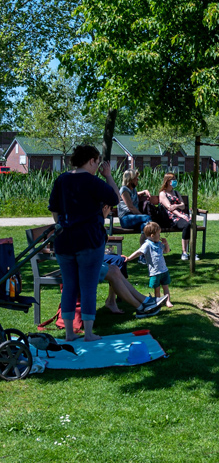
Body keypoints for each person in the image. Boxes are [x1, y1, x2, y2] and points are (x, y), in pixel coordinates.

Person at [48, 144, 122, 342]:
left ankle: (69, 333)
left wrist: (63, 225)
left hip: (64, 241)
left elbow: (54, 210)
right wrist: (107, 175)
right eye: (97, 162)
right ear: (91, 160)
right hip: (89, 240)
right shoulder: (92, 181)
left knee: (70, 286)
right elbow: (115, 198)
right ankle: (88, 333)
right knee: (88, 286)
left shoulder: (61, 179)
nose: (98, 166)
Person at [125, 222, 171, 308]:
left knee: (166, 287)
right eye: (159, 234)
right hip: (155, 272)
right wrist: (129, 258)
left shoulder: (159, 244)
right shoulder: (147, 245)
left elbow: (166, 251)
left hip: (164, 270)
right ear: (153, 235)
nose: (160, 236)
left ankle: (168, 301)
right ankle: (158, 302)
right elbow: (139, 252)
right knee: (157, 289)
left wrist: (166, 244)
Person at [159, 173, 195, 260]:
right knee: (187, 225)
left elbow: (183, 205)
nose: (175, 181)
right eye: (173, 180)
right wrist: (181, 215)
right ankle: (184, 252)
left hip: (181, 215)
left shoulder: (176, 192)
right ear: (167, 181)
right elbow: (169, 208)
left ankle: (192, 251)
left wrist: (177, 206)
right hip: (171, 218)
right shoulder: (163, 194)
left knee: (192, 225)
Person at [116, 169, 151, 233]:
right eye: (136, 178)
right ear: (130, 179)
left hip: (134, 218)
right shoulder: (124, 190)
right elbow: (130, 207)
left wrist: (144, 191)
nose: (137, 179)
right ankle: (152, 241)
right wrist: (141, 215)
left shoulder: (133, 189)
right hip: (126, 219)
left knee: (145, 226)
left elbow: (133, 195)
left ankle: (145, 242)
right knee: (147, 218)